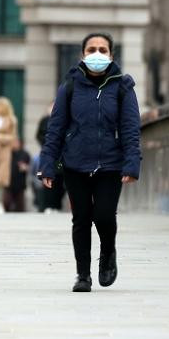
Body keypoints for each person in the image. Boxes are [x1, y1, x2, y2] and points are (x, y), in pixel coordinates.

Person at [39, 33, 141, 292]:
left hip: (110, 165)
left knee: (105, 216)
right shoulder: (69, 87)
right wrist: (48, 164)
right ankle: (82, 275)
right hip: (75, 164)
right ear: (83, 55)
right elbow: (56, 129)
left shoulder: (123, 87)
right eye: (92, 49)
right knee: (81, 219)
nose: (97, 54)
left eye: (103, 49)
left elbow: (130, 129)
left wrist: (132, 163)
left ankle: (108, 254)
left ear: (111, 55)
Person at [4, 137, 31, 212]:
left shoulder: (25, 154)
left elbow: (29, 167)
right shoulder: (8, 153)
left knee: (20, 205)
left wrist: (25, 167)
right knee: (6, 202)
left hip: (20, 183)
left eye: (15, 142)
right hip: (8, 183)